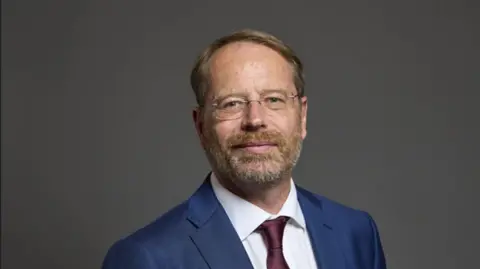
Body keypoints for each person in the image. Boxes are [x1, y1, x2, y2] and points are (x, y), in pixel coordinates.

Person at [102, 29, 387, 269]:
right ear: (200, 126)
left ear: (301, 116)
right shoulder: (147, 258)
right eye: (232, 103)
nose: (255, 120)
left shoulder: (356, 233)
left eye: (274, 99)